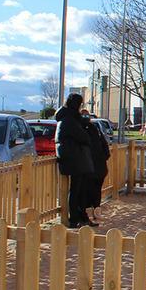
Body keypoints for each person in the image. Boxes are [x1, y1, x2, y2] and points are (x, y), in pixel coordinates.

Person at [54, 93, 94, 228]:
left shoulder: (67, 117)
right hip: (74, 159)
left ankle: (79, 216)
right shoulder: (69, 119)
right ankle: (74, 218)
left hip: (73, 158)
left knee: (78, 189)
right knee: (76, 190)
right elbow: (83, 137)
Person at [82, 111, 110, 222]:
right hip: (100, 166)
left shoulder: (82, 130)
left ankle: (89, 211)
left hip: (90, 166)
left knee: (87, 189)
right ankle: (96, 210)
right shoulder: (96, 129)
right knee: (97, 189)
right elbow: (105, 147)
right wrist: (103, 157)